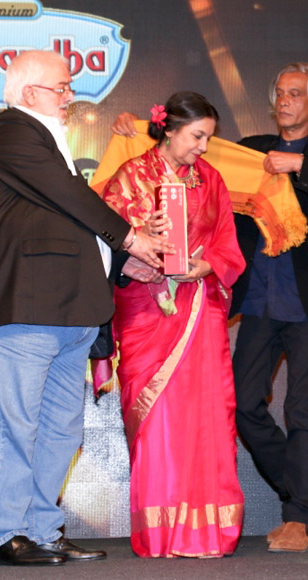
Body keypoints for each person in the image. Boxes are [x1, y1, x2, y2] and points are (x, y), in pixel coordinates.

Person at [112, 62, 308, 553]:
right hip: (260, 303)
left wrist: (298, 168)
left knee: (301, 407)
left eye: (295, 94)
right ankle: (304, 492)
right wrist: (134, 127)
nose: (285, 101)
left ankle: (298, 520)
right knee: (244, 406)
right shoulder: (249, 150)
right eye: (280, 93)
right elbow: (185, 142)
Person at [0, 50, 165, 567]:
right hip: (20, 306)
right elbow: (67, 196)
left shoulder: (47, 141)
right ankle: (4, 536)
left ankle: (44, 528)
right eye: (61, 88)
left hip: (70, 311)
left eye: (69, 87)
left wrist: (120, 260)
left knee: (63, 429)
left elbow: (70, 217)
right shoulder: (10, 129)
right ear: (28, 94)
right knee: (10, 423)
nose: (71, 97)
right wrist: (129, 237)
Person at [100, 92, 246, 558]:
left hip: (200, 313)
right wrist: (142, 242)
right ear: (169, 129)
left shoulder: (211, 180)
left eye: (208, 137)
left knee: (204, 419)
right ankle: (162, 533)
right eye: (198, 136)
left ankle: (207, 533)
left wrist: (205, 269)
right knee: (159, 422)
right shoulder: (130, 178)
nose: (204, 147)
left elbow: (227, 243)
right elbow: (104, 246)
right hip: (147, 314)